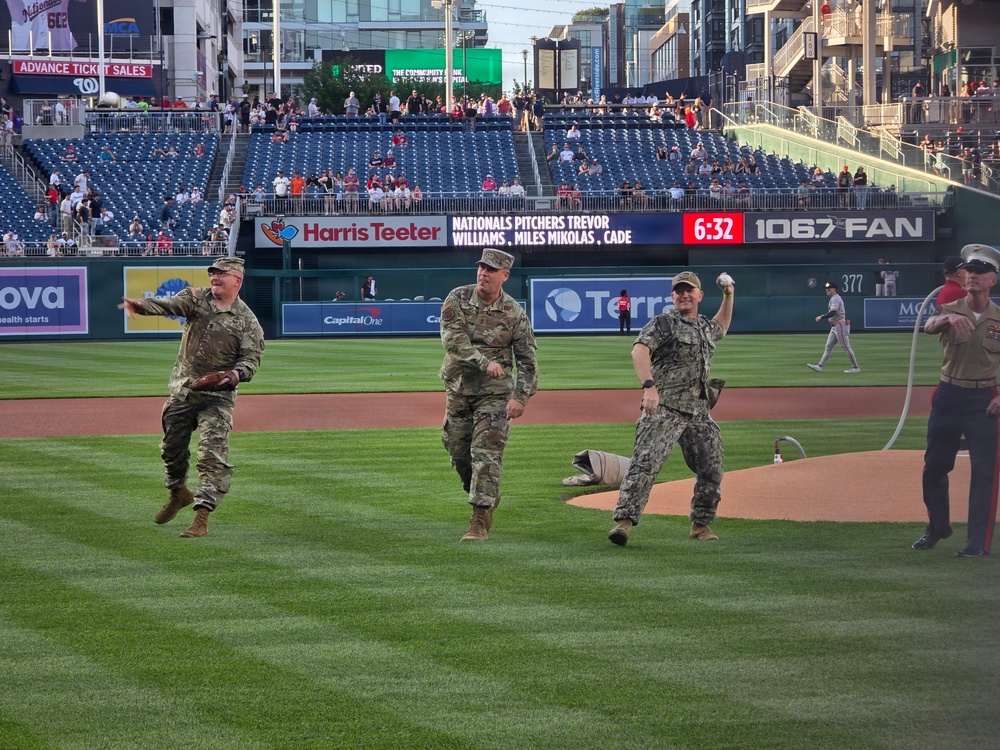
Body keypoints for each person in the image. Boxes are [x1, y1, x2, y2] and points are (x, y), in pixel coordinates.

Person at [116, 257, 265, 538]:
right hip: (183, 391)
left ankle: (201, 518)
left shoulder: (248, 323)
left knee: (211, 455)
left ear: (238, 280)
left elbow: (250, 361)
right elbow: (171, 304)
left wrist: (232, 376)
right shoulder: (196, 298)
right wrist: (142, 306)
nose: (215, 278)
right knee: (171, 449)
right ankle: (178, 492)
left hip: (216, 399)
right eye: (212, 273)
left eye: (222, 274)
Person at [608, 270, 735, 546]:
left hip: (699, 412)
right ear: (673, 296)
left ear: (700, 295)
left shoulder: (703, 326)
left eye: (689, 290)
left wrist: (728, 295)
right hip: (664, 409)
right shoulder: (664, 323)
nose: (684, 295)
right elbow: (639, 349)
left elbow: (722, 326)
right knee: (645, 465)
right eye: (679, 291)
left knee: (712, 469)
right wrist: (648, 386)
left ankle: (700, 525)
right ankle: (624, 523)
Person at [439, 248, 538, 542]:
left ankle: (478, 520)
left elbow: (528, 360)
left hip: (495, 394)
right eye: (482, 267)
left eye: (491, 270)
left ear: (504, 276)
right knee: (459, 453)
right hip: (458, 389)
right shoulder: (457, 298)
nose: (483, 273)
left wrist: (520, 398)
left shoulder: (515, 313)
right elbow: (453, 342)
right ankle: (486, 493)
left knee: (486, 455)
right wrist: (485, 362)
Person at [915, 244, 1000, 558]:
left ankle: (977, 543)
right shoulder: (950, 308)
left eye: (981, 272)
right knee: (934, 466)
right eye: (970, 271)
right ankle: (938, 526)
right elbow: (928, 326)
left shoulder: (999, 318)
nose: (973, 276)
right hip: (949, 395)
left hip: (985, 399)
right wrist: (947, 320)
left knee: (985, 473)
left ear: (993, 279)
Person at [807, 282, 861, 373]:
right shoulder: (833, 298)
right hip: (835, 326)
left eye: (829, 288)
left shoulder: (835, 298)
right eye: (826, 288)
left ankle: (856, 368)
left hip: (840, 325)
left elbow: (833, 312)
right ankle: (820, 366)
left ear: (834, 289)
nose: (827, 290)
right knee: (828, 347)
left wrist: (821, 317)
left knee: (846, 347)